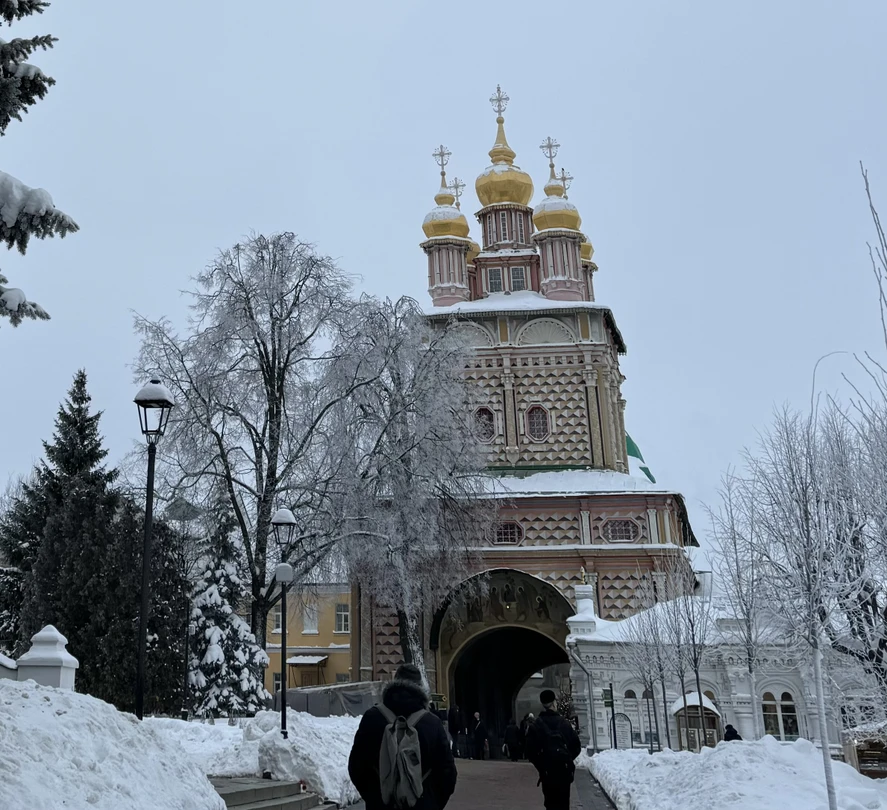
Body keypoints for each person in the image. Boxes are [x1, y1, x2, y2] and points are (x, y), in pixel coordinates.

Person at [348, 663, 457, 810]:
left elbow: (356, 766)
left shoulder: (372, 717)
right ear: (420, 687)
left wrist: (374, 798)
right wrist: (431, 802)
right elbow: (447, 772)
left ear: (393, 683)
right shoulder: (432, 723)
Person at [525, 690, 582, 810]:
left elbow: (530, 752)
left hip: (547, 773)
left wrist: (542, 765)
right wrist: (566, 759)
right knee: (564, 804)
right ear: (554, 703)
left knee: (550, 804)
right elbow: (576, 746)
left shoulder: (536, 725)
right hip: (564, 772)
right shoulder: (564, 723)